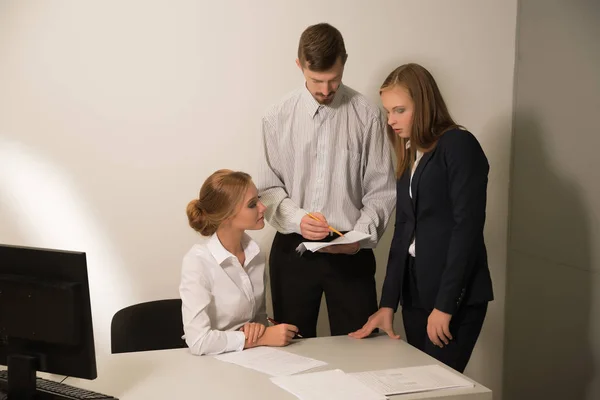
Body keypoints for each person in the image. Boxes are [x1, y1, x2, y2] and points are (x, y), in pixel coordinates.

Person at [350, 63, 494, 373]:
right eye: (388, 111)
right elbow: (404, 230)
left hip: (451, 293)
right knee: (417, 385)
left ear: (424, 104)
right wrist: (388, 303)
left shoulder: (458, 145)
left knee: (437, 385)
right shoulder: (411, 153)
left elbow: (466, 230)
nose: (391, 120)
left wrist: (446, 305)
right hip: (415, 289)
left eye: (399, 110)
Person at [257, 23, 396, 338]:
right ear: (299, 66)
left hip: (351, 253)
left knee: (360, 349)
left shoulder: (368, 116)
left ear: (344, 61)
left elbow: (382, 191)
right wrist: (299, 219)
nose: (324, 89)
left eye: (333, 79)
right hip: (292, 252)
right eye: (316, 80)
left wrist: (358, 237)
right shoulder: (275, 117)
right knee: (290, 352)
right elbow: (267, 190)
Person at [180, 169, 298, 356]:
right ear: (227, 216)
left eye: (258, 199)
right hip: (212, 366)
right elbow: (198, 342)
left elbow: (258, 320)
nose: (263, 207)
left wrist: (257, 332)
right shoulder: (197, 262)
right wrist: (261, 337)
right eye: (252, 204)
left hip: (251, 358)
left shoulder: (256, 253)